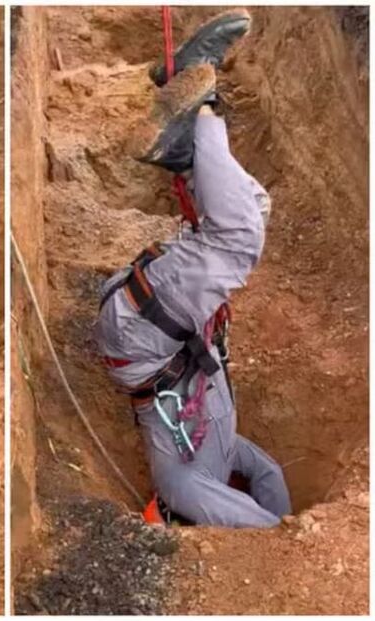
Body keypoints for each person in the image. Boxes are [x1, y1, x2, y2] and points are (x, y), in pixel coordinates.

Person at [96, 9, 291, 528]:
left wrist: (284, 536)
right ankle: (182, 151)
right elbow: (268, 478)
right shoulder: (227, 455)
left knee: (237, 237)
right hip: (153, 326)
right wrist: (292, 527)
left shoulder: (183, 489)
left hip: (141, 335)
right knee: (255, 210)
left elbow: (266, 532)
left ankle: (201, 104)